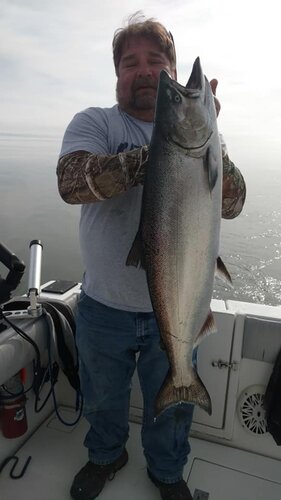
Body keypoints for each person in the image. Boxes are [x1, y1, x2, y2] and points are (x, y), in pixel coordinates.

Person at [57, 12, 246, 500]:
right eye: (130, 63)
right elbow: (72, 182)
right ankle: (106, 454)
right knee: (102, 399)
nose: (142, 71)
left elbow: (234, 201)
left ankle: (166, 471)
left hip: (181, 308)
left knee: (176, 407)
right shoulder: (94, 123)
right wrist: (161, 152)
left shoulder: (201, 139)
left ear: (171, 69)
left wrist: (208, 141)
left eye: (155, 61)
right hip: (103, 307)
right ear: (117, 74)